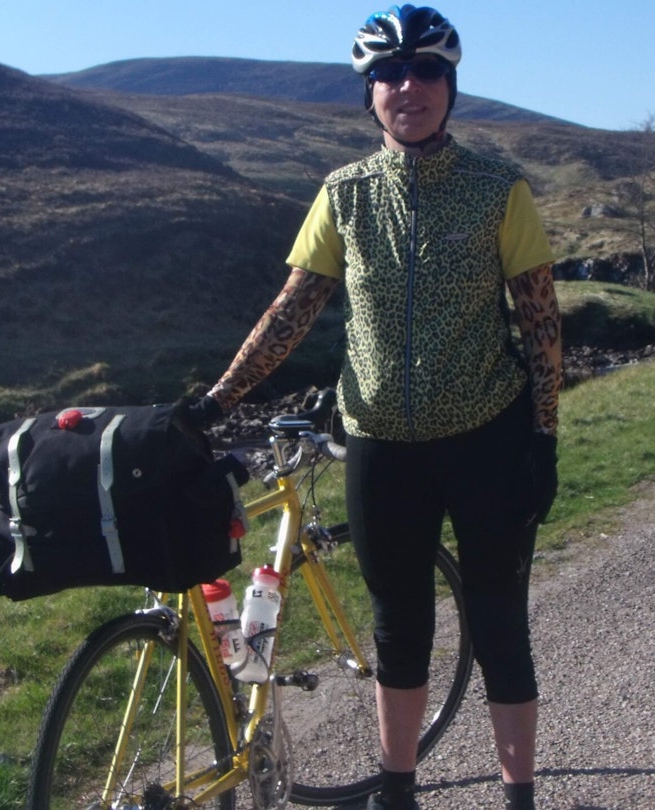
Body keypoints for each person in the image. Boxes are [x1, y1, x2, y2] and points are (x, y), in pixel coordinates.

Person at [184, 6, 562, 809]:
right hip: (382, 445)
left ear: (450, 86)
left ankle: (519, 793)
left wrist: (544, 436)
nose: (408, 87)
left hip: (487, 438)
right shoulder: (344, 196)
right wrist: (217, 400)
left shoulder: (500, 191)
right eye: (389, 74)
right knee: (399, 628)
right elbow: (292, 310)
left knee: (499, 622)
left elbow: (539, 320)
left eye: (427, 71)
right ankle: (397, 788)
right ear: (369, 94)